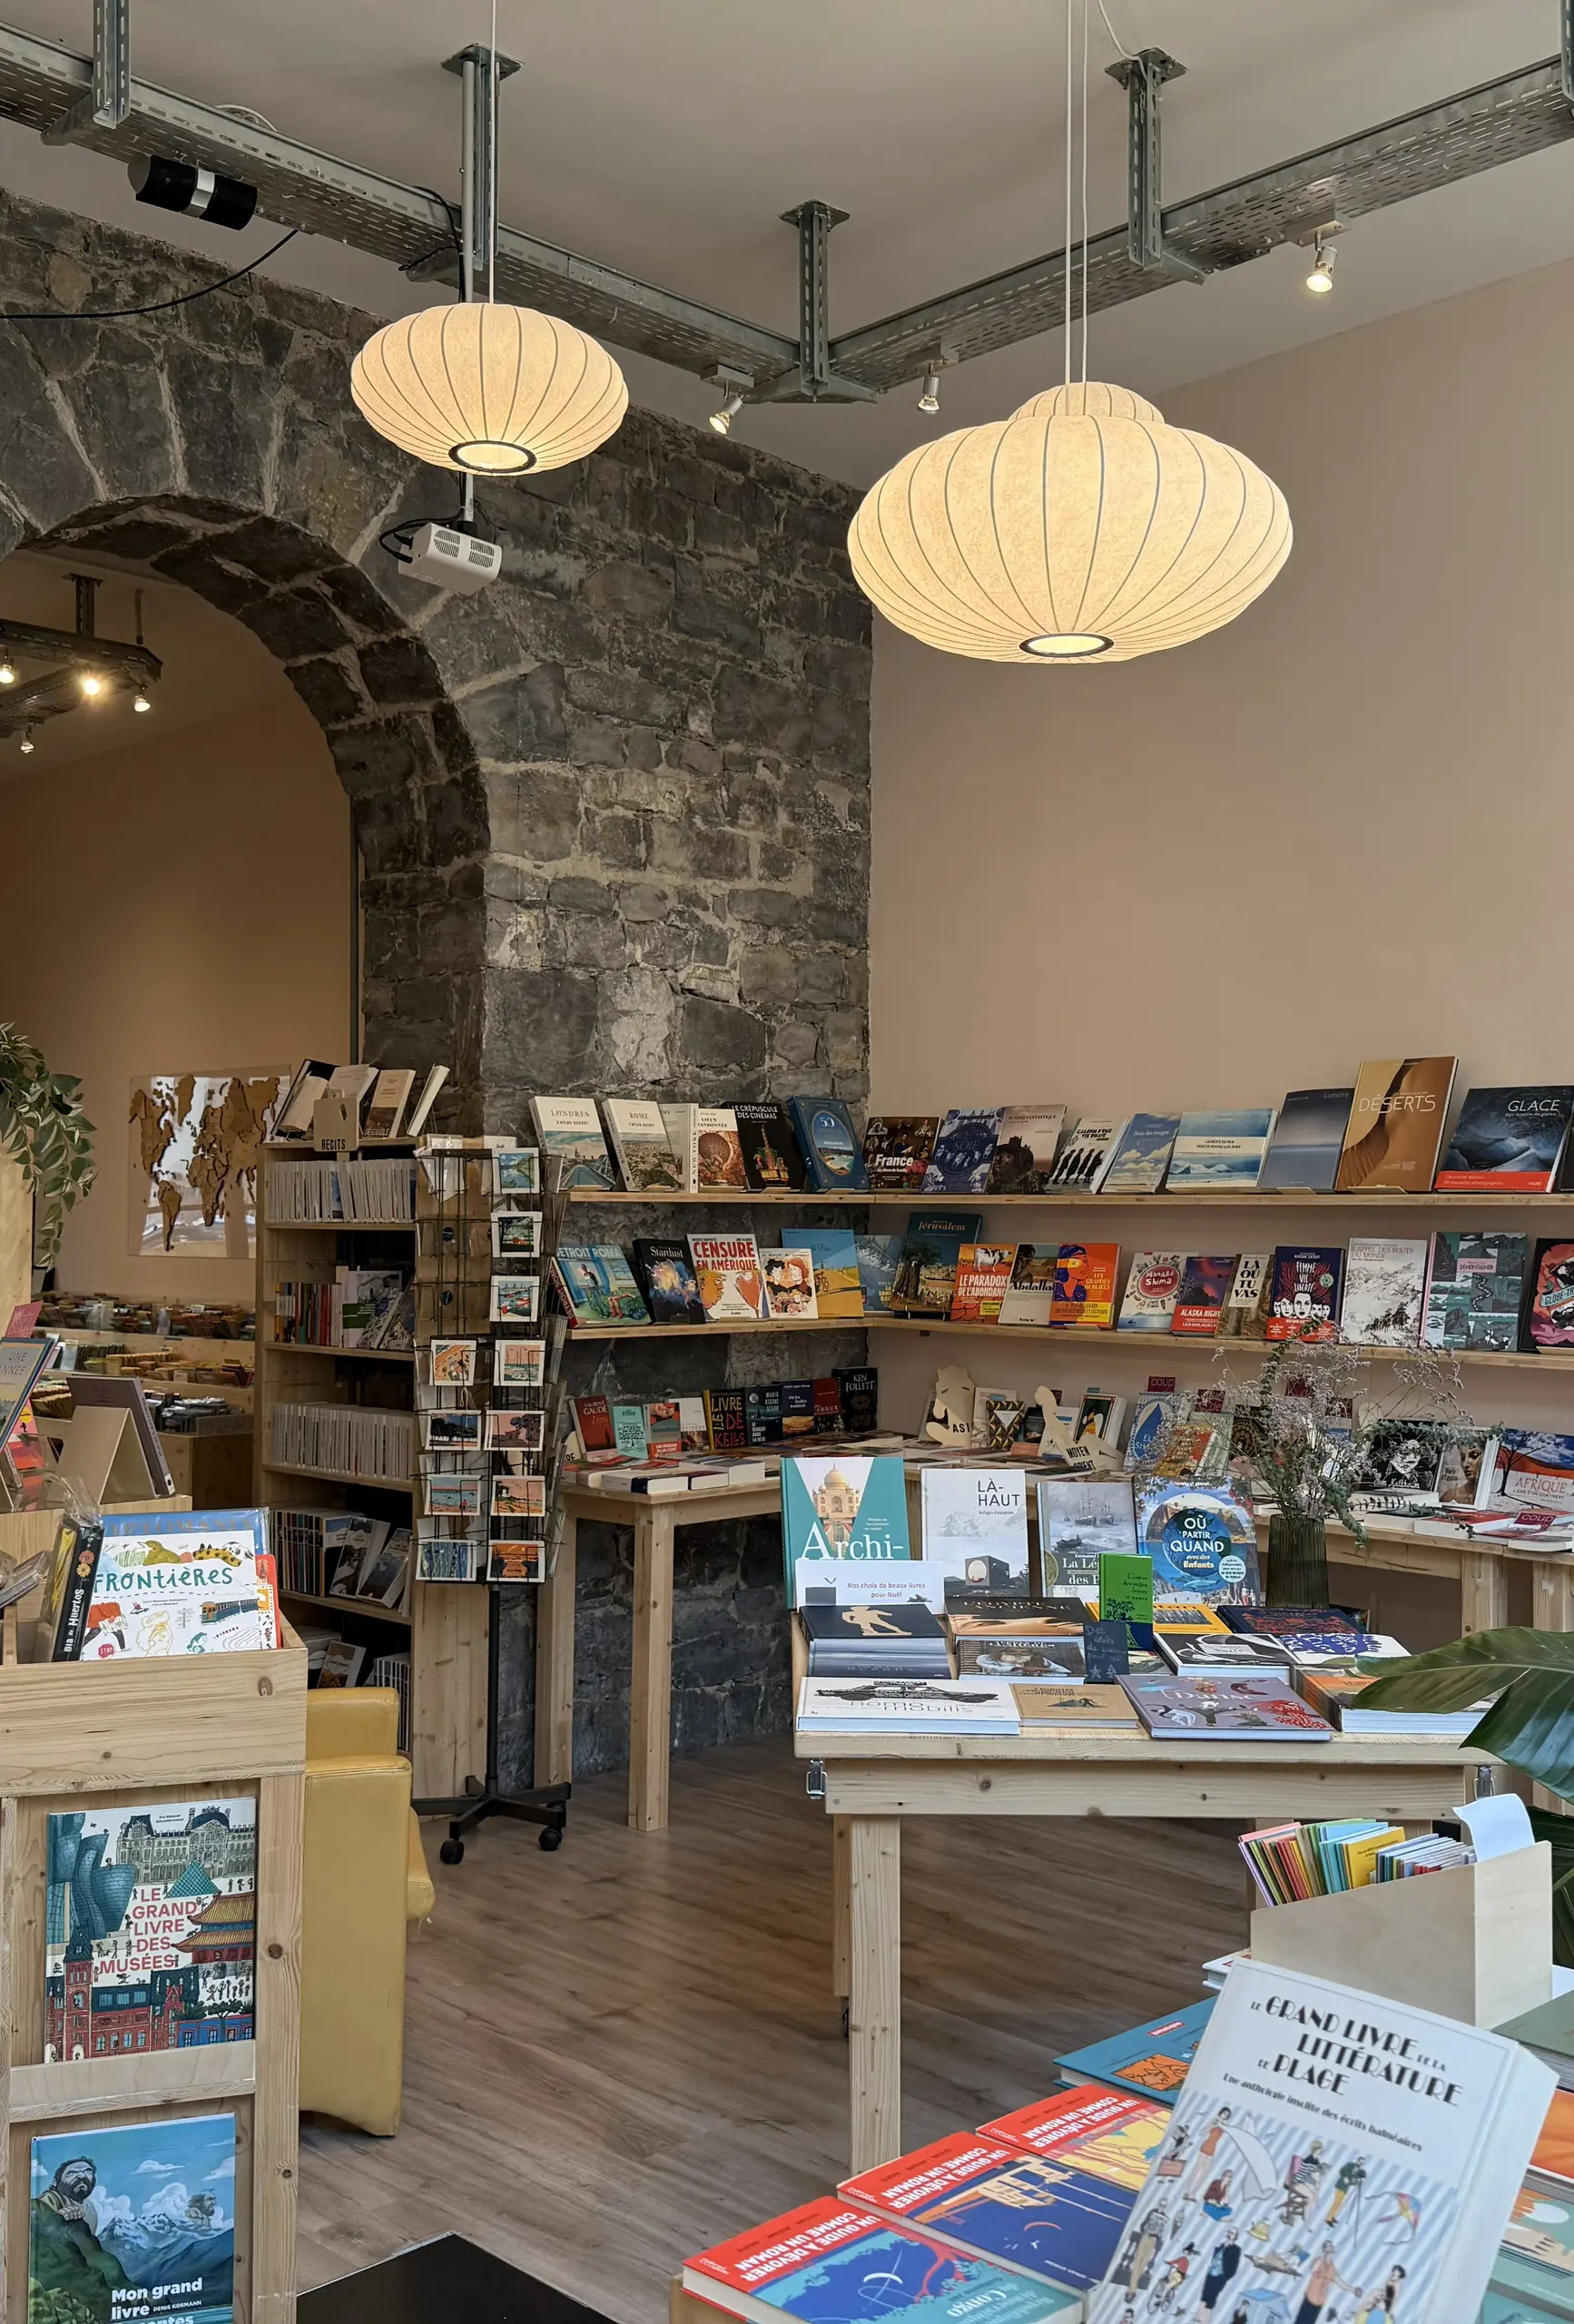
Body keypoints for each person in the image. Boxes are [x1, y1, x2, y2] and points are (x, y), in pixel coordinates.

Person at [1294, 2240, 1358, 2324]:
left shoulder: (1332, 2267)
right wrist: (1323, 2257)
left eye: (1331, 2245)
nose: (1331, 2247)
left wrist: (1353, 2289)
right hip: (1310, 2298)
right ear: (1324, 2249)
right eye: (1328, 2246)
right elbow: (1313, 2269)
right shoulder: (1318, 2260)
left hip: (1319, 2301)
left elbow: (1339, 2281)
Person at [1185, 2107, 1233, 2200]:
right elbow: (1201, 2133)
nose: (1225, 2115)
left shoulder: (1224, 2126)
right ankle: (1187, 2191)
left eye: (1227, 2115)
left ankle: (1193, 2193)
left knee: (1204, 2174)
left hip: (1212, 2149)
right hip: (1206, 2146)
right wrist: (1212, 2126)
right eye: (1224, 2113)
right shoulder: (1213, 2121)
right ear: (1220, 2113)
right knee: (1196, 2170)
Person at [1199, 2230, 1243, 2316]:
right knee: (1204, 2298)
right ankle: (1199, 2318)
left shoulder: (1236, 2249)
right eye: (1229, 2232)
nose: (1229, 2234)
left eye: (1232, 2233)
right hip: (1211, 2274)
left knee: (1210, 2302)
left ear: (1235, 2237)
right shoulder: (1221, 2246)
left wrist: (1224, 2277)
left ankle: (1205, 2319)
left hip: (1219, 2277)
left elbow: (1234, 2267)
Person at [1325, 2157, 1367, 2226]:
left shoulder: (1358, 2170)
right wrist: (1345, 2178)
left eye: (1362, 2163)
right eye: (1360, 2161)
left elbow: (1356, 2179)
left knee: (1339, 2204)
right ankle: (1328, 2219)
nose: (1360, 2163)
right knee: (1336, 2203)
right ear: (1357, 2160)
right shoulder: (1350, 2165)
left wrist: (1357, 2180)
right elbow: (1342, 2170)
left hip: (1345, 2189)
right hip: (1340, 2186)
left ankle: (1332, 2217)